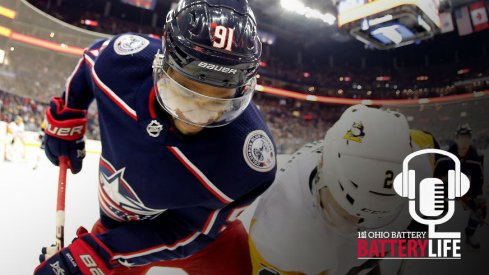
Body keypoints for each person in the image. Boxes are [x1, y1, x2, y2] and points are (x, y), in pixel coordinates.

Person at [35, 0, 276, 274]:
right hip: (117, 234)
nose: (194, 116)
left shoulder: (249, 162)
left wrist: (102, 252)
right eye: (185, 91)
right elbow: (92, 59)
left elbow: (192, 233)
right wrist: (70, 108)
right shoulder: (120, 62)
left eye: (217, 102)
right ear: (162, 63)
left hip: (188, 239)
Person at [248, 105, 433, 275]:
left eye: (374, 216)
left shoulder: (416, 165)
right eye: (345, 211)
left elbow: (426, 142)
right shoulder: (278, 233)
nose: (356, 224)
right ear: (321, 166)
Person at [435, 123, 485, 249]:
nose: (464, 142)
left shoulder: (475, 159)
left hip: (465, 192)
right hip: (447, 189)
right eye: (461, 138)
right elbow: (434, 178)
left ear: (470, 139)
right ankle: (428, 227)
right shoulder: (446, 157)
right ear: (456, 138)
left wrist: (476, 197)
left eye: (467, 138)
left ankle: (469, 234)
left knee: (480, 207)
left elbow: (478, 182)